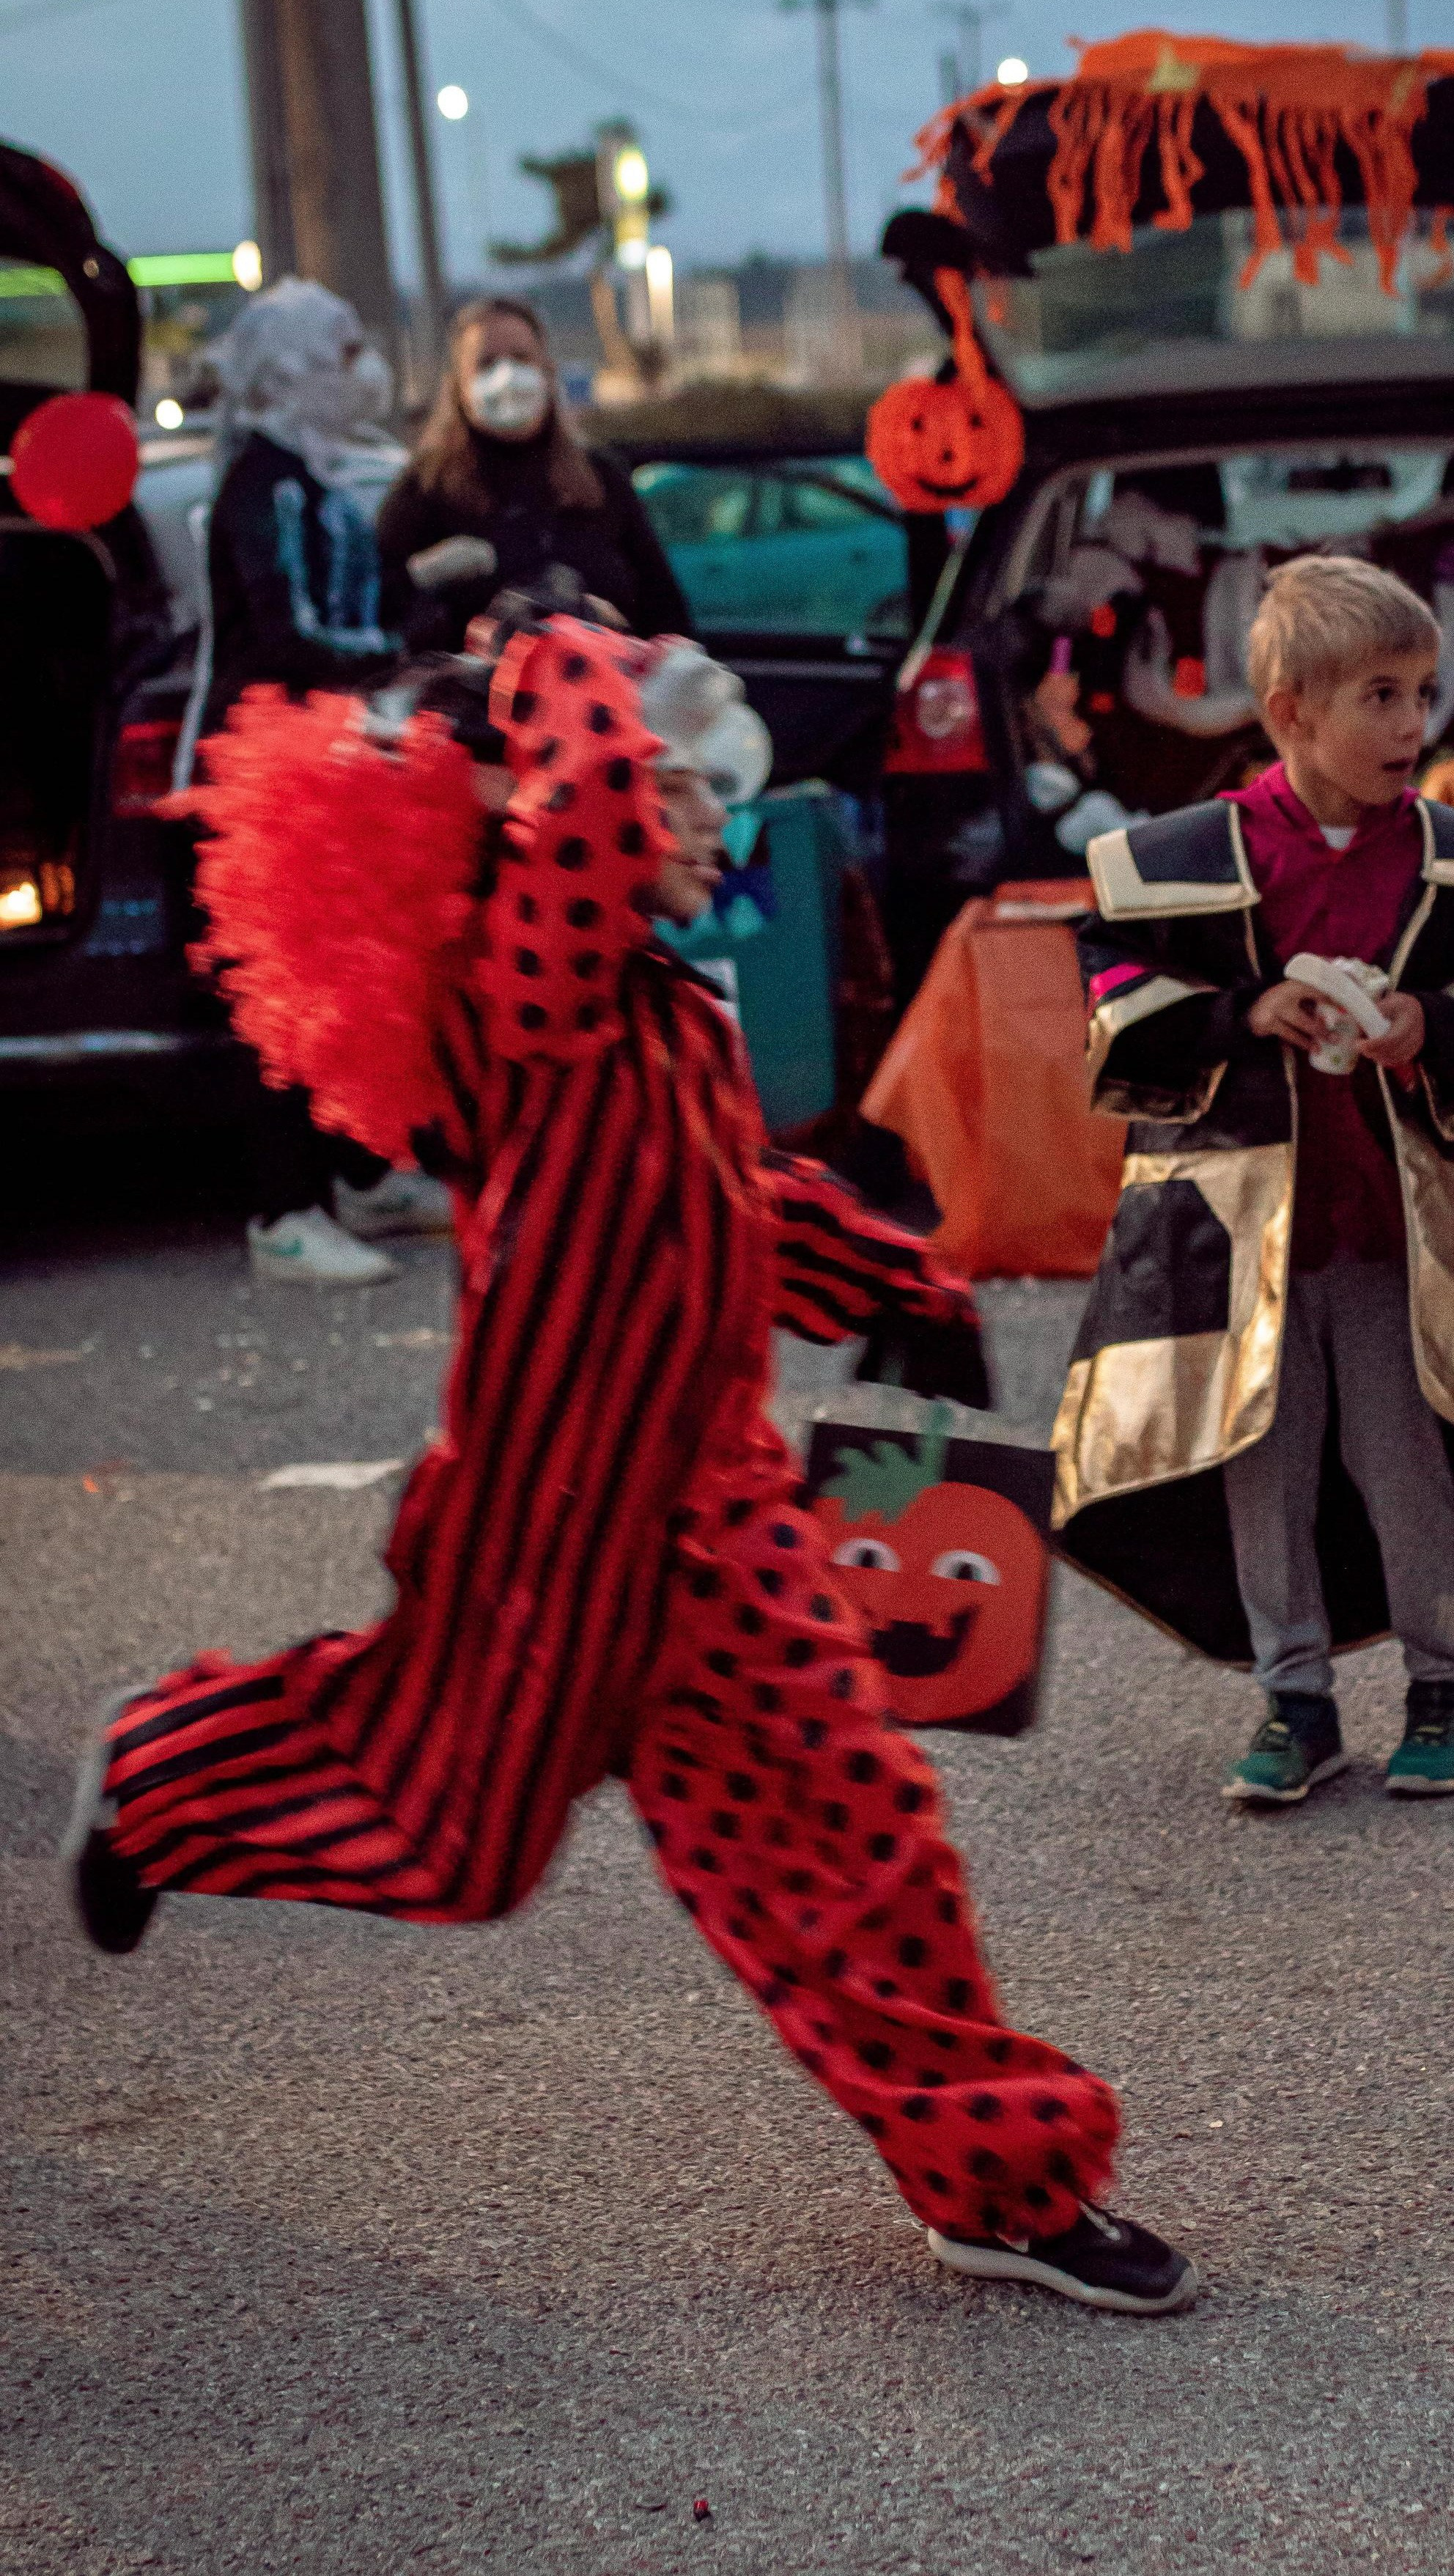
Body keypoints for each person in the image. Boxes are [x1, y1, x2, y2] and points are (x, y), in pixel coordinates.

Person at [63, 613, 1197, 2320]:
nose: (701, 820)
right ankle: (160, 1772)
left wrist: (899, 1291)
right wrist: (563, 657)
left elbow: (725, 1194)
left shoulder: (659, 1014)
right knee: (453, 1842)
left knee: (858, 1839)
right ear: (525, 817)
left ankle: (997, 2178)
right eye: (670, 789)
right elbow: (587, 791)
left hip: (717, 1531)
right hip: (540, 1547)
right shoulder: (525, 995)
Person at [1053, 555, 1454, 1804]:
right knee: (1257, 1462)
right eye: (1378, 696)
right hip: (1234, 1240)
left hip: (1392, 1232)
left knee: (1407, 1458)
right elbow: (1117, 990)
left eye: (1420, 692)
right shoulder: (1192, 857)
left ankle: (1443, 1679)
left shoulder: (1453, 863)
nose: (1410, 724)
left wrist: (1427, 1025)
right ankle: (1293, 1698)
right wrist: (1243, 1008)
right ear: (1289, 712)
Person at [201, 275, 450, 1284]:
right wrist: (393, 646)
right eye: (342, 352)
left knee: (353, 979)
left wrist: (417, 604)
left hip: (335, 757)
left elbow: (360, 601)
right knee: (287, 988)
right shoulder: (265, 485)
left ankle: (362, 1172)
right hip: (277, 770)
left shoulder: (316, 477)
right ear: (292, 368)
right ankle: (285, 1207)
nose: (363, 371)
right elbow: (287, 633)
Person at [376, 296, 690, 654]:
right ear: (458, 387)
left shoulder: (601, 479)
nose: (506, 375)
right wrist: (420, 578)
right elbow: (376, 610)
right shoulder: (424, 488)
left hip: (607, 683)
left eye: (521, 358)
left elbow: (665, 612)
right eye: (486, 363)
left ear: (547, 373)